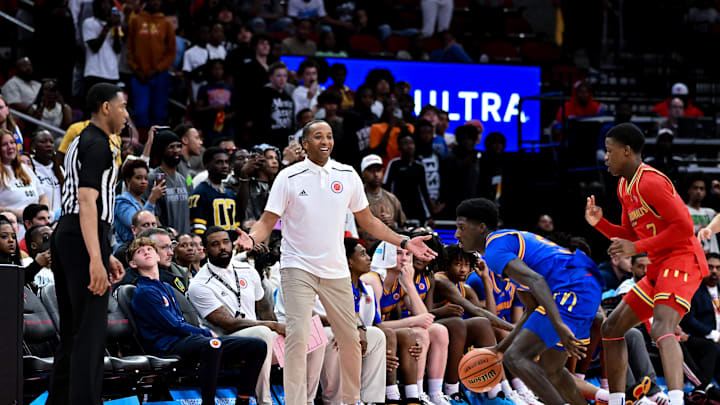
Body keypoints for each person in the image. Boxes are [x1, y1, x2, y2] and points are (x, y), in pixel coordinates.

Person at [236, 120, 438, 405]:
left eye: (329, 136)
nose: (325, 140)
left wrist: (403, 241)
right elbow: (268, 220)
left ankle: (350, 400)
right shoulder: (288, 176)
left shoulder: (347, 174)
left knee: (351, 338)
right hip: (297, 267)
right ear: (304, 144)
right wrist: (252, 238)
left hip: (335, 269)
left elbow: (367, 220)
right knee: (298, 337)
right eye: (318, 136)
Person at [586, 122, 709, 405]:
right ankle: (617, 400)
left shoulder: (651, 181)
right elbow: (630, 235)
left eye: (610, 151)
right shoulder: (623, 186)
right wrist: (600, 224)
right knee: (611, 328)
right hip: (658, 265)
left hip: (682, 259)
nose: (606, 157)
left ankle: (677, 401)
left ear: (627, 151)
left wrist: (638, 247)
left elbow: (684, 226)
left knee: (661, 327)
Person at [455, 197, 602, 405]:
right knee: (552, 370)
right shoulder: (503, 246)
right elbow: (531, 308)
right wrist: (499, 350)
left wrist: (559, 325)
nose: (456, 234)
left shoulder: (495, 250)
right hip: (583, 286)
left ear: (480, 228)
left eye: (461, 227)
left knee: (517, 357)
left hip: (572, 289)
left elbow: (536, 280)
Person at [47, 83, 127, 405]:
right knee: (90, 336)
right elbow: (87, 200)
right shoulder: (99, 144)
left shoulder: (81, 140)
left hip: (70, 234)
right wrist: (96, 256)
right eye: (121, 106)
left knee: (73, 333)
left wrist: (103, 253)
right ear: (105, 107)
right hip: (82, 236)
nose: (126, 114)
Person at [129, 236, 266, 405]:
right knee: (212, 344)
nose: (146, 252)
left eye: (150, 249)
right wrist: (205, 332)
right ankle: (208, 402)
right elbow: (173, 325)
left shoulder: (165, 287)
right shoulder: (144, 291)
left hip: (184, 340)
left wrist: (203, 334)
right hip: (166, 345)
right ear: (133, 264)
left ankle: (243, 400)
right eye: (139, 251)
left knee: (257, 345)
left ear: (158, 256)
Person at [188, 227, 287, 405]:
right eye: (215, 244)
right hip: (228, 342)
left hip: (260, 337)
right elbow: (228, 324)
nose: (222, 247)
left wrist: (282, 328)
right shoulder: (199, 284)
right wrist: (274, 326)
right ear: (204, 250)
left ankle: (307, 399)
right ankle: (264, 401)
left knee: (313, 335)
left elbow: (265, 311)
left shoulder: (247, 270)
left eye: (226, 242)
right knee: (263, 334)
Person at [341, 237, 422, 405]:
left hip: (366, 333)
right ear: (349, 261)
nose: (368, 257)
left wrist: (409, 284)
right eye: (363, 254)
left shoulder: (367, 289)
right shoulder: (370, 280)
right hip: (344, 332)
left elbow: (426, 320)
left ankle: (410, 396)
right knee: (381, 335)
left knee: (404, 335)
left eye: (408, 254)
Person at [126, 0, 176, 129]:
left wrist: (157, 69)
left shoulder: (166, 23)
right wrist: (136, 69)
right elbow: (129, 49)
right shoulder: (136, 20)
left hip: (159, 75)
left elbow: (171, 53)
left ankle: (158, 144)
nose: (156, 2)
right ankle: (142, 145)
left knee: (159, 113)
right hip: (139, 75)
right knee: (140, 112)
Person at [0, 129, 49, 240]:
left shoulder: (26, 169)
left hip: (37, 227)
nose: (10, 147)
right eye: (4, 144)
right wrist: (16, 213)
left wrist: (43, 212)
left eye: (12, 143)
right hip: (13, 229)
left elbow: (43, 196)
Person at [680, 253, 720, 387]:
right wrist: (713, 334)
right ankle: (703, 390)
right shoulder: (693, 288)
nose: (714, 271)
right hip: (697, 337)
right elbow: (688, 320)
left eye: (718, 268)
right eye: (710, 267)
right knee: (713, 348)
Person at [145, 129, 192, 235]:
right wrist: (166, 236)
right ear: (161, 150)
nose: (176, 150)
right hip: (165, 242)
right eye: (171, 147)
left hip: (184, 240)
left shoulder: (183, 179)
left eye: (179, 146)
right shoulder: (153, 178)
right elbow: (151, 215)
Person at [383, 133, 433, 224]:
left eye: (411, 143)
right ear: (399, 147)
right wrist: (389, 210)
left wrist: (429, 215)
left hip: (416, 212)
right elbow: (388, 189)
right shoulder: (394, 164)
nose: (409, 146)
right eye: (405, 143)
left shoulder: (419, 166)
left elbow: (423, 192)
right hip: (398, 212)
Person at [358, 154, 406, 246]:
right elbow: (347, 228)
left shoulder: (392, 199)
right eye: (371, 171)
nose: (376, 174)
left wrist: (393, 224)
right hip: (364, 250)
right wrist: (371, 227)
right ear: (363, 173)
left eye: (379, 170)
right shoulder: (355, 197)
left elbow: (404, 228)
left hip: (389, 249)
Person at [114, 159, 165, 245]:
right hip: (127, 250)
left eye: (146, 178)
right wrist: (152, 198)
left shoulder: (144, 202)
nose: (143, 182)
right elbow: (138, 223)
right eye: (138, 178)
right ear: (128, 180)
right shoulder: (122, 202)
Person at [190, 147, 239, 235]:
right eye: (219, 162)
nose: (225, 166)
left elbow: (236, 225)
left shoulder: (230, 193)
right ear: (207, 165)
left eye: (226, 162)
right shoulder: (200, 194)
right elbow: (198, 230)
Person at [81, 0, 122, 90]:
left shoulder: (114, 24)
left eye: (108, 3)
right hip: (94, 73)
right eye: (103, 3)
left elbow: (118, 49)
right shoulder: (89, 23)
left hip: (112, 74)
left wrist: (115, 28)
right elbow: (95, 47)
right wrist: (107, 27)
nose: (105, 6)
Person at [253, 62, 294, 149]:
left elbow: (292, 123)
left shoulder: (289, 97)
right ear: (271, 77)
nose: (282, 79)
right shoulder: (263, 95)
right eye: (279, 76)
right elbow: (260, 122)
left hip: (285, 143)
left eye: (284, 75)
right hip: (268, 142)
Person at [195, 59, 234, 144]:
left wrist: (229, 116)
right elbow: (197, 109)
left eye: (220, 69)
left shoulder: (229, 88)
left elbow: (235, 108)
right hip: (210, 126)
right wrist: (212, 107)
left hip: (227, 127)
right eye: (215, 69)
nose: (218, 71)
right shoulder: (205, 88)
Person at [370, 97, 415, 166]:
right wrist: (390, 128)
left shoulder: (410, 127)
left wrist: (404, 127)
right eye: (389, 105)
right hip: (385, 168)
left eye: (395, 105)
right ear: (384, 109)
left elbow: (413, 149)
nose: (393, 108)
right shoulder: (376, 127)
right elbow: (378, 152)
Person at [31, 130, 64, 217]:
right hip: (40, 219)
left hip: (59, 219)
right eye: (43, 142)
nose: (48, 145)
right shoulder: (29, 167)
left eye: (51, 142)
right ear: (33, 146)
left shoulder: (59, 169)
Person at [685, 174, 719, 254]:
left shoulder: (710, 212)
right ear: (689, 190)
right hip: (692, 253)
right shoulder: (683, 210)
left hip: (712, 257)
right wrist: (696, 233)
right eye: (695, 188)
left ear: (705, 192)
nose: (698, 191)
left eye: (702, 189)